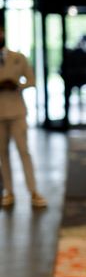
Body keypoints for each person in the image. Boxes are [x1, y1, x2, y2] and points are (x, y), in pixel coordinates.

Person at [0, 25, 47, 208]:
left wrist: (16, 85)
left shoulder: (18, 58)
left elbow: (32, 80)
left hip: (17, 111)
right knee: (2, 154)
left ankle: (33, 190)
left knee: (23, 151)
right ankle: (9, 191)